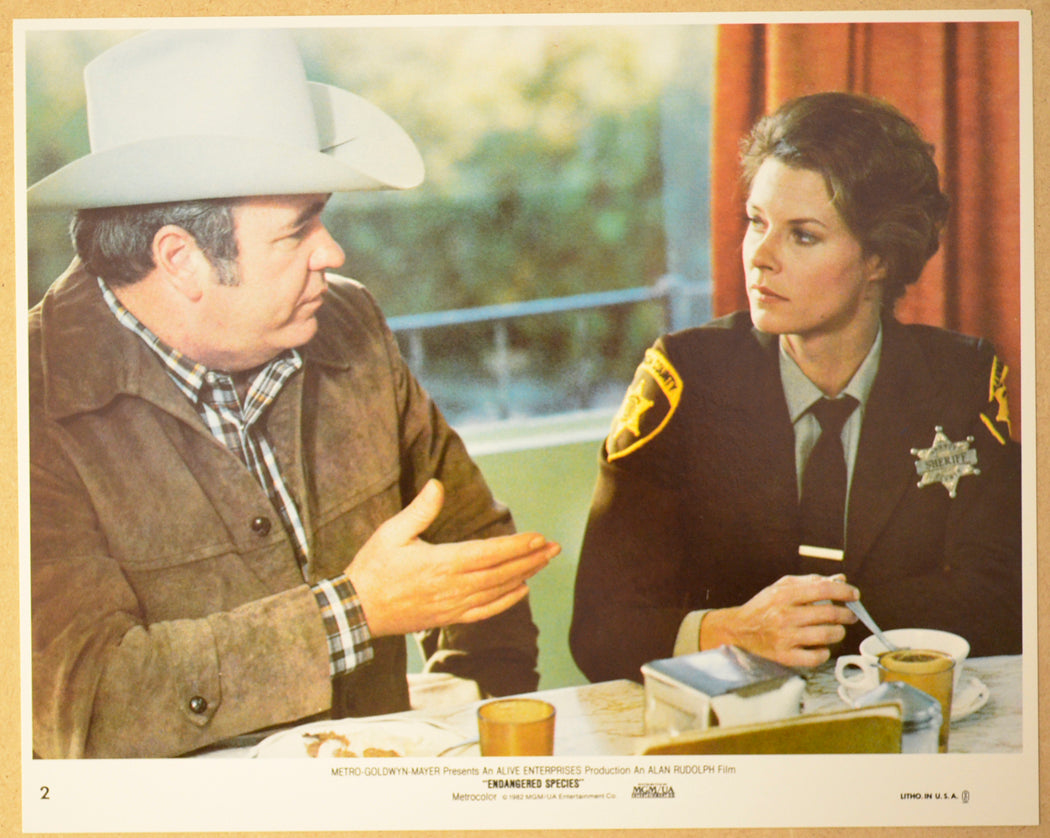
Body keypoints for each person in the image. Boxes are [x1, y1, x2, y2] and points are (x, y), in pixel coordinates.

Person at [28, 28, 560, 758]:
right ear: (180, 260)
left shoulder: (350, 323)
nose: (332, 252)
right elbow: (84, 709)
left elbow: (478, 554)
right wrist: (353, 613)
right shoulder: (25, 398)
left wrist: (469, 719)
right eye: (297, 230)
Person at [570, 91, 1021, 683]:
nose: (759, 256)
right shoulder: (684, 381)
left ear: (879, 260)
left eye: (802, 235)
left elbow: (1003, 604)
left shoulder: (961, 380)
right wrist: (733, 629)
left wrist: (806, 628)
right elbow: (599, 629)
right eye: (757, 222)